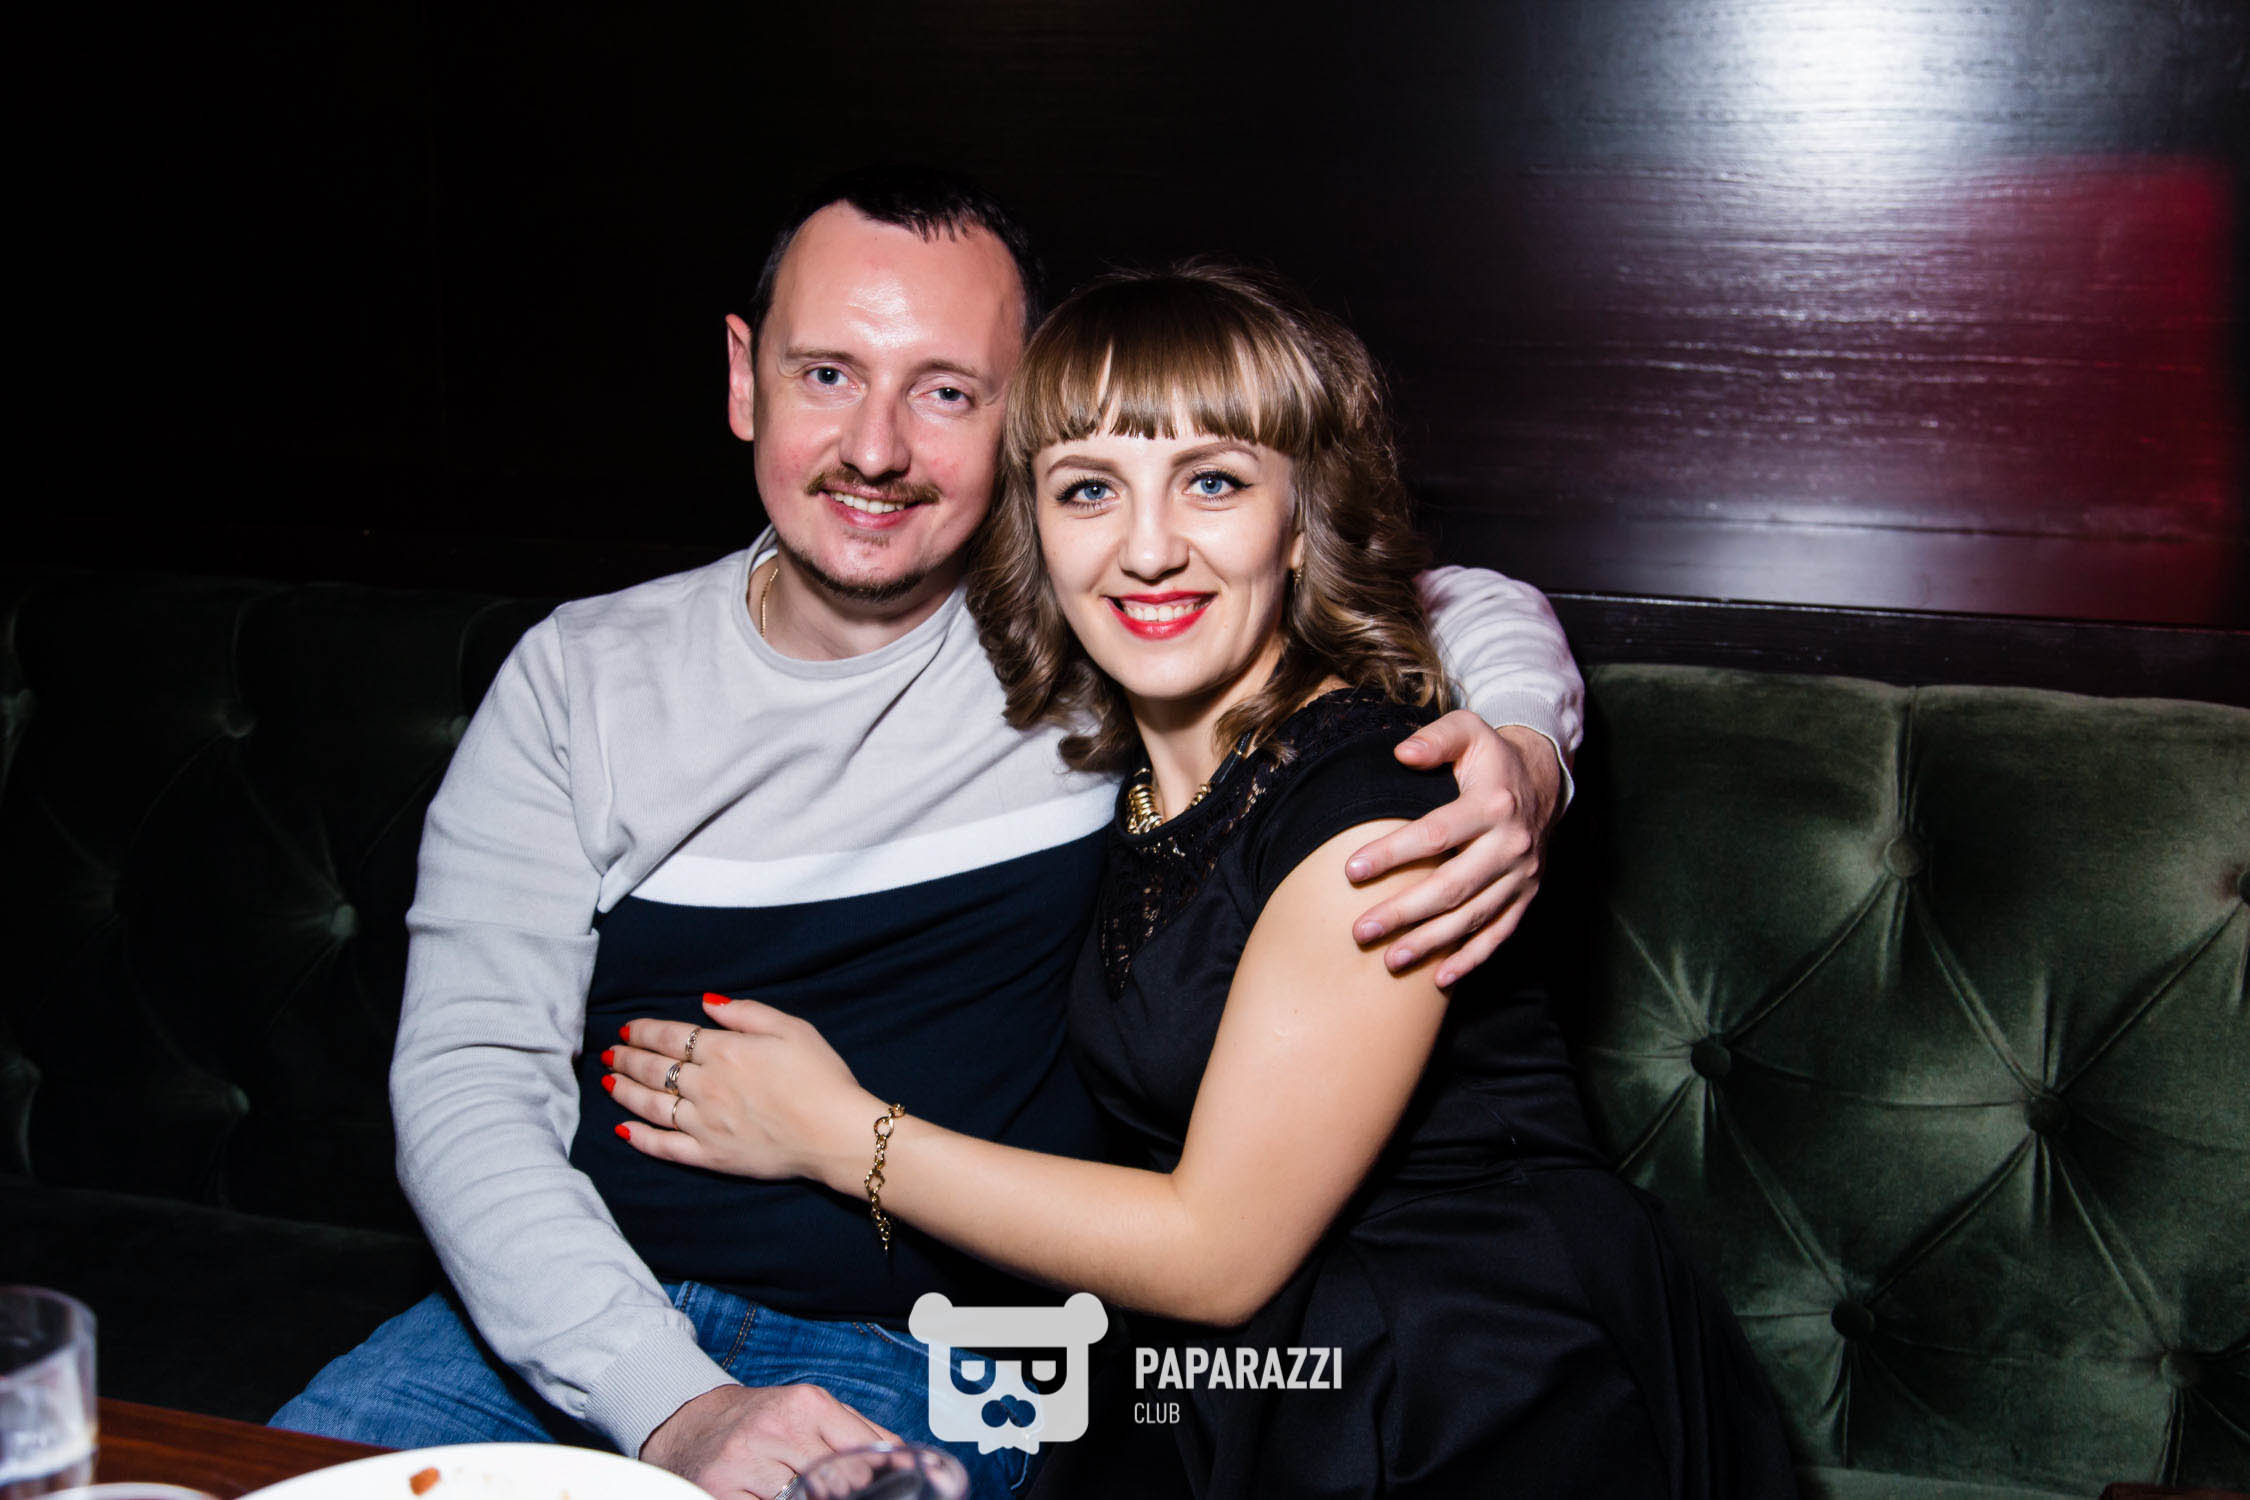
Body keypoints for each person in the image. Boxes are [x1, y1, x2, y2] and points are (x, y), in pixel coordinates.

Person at [271, 169, 1586, 1499]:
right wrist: (666, 1398)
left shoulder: (1087, 633)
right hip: (576, 1325)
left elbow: (1414, 590)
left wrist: (1523, 749)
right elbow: (469, 1082)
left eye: (947, 391)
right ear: (743, 378)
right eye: (826, 375)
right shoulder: (582, 679)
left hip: (943, 1345)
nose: (877, 450)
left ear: (1026, 414)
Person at [605, 262, 1798, 1497]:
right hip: (1254, 1379)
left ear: (1301, 518)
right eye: (1089, 490)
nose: (1148, 549)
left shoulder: (1376, 811)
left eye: (1213, 481)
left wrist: (833, 1133)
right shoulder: (1128, 777)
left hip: (1476, 1388)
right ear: (1034, 531)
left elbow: (1218, 1253)